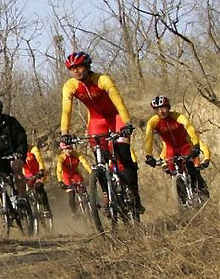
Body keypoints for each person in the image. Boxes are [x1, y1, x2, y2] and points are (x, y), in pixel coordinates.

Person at [60, 51, 144, 213]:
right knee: (100, 161)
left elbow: (118, 102)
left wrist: (127, 123)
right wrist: (65, 132)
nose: (75, 71)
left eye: (79, 67)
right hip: (97, 122)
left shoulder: (102, 79)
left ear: (87, 66)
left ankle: (133, 192)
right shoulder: (70, 86)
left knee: (123, 154)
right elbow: (66, 110)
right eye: (72, 68)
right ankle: (107, 195)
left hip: (116, 118)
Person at [144, 95, 209, 201]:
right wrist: (148, 155)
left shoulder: (177, 116)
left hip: (184, 146)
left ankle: (199, 190)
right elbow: (148, 138)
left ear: (168, 107)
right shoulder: (153, 121)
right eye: (157, 109)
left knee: (190, 165)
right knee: (173, 172)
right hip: (171, 149)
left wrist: (196, 145)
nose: (161, 111)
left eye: (163, 108)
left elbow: (190, 127)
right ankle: (183, 201)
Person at [56, 143, 91, 218]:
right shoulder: (61, 158)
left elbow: (85, 163)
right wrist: (60, 181)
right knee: (71, 194)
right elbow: (59, 170)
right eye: (65, 149)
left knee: (83, 189)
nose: (68, 151)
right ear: (63, 150)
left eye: (70, 149)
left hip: (75, 174)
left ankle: (90, 205)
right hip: (66, 176)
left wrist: (91, 173)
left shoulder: (77, 155)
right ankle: (74, 213)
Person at [23, 145, 52, 216]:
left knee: (39, 186)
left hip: (38, 174)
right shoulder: (18, 153)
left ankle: (46, 208)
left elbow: (39, 160)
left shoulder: (34, 149)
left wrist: (41, 169)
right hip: (27, 176)